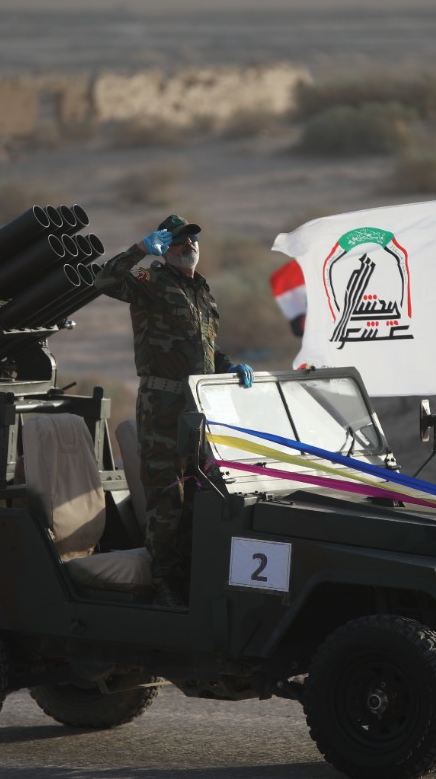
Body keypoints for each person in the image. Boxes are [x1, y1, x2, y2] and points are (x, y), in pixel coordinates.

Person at [94, 215, 253, 608]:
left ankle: (193, 577)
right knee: (167, 498)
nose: (188, 246)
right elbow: (105, 280)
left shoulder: (202, 291)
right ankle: (164, 583)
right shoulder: (151, 279)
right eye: (179, 241)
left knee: (201, 494)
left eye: (193, 240)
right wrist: (140, 250)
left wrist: (228, 365)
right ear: (165, 248)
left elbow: (203, 347)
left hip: (197, 408)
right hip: (162, 406)